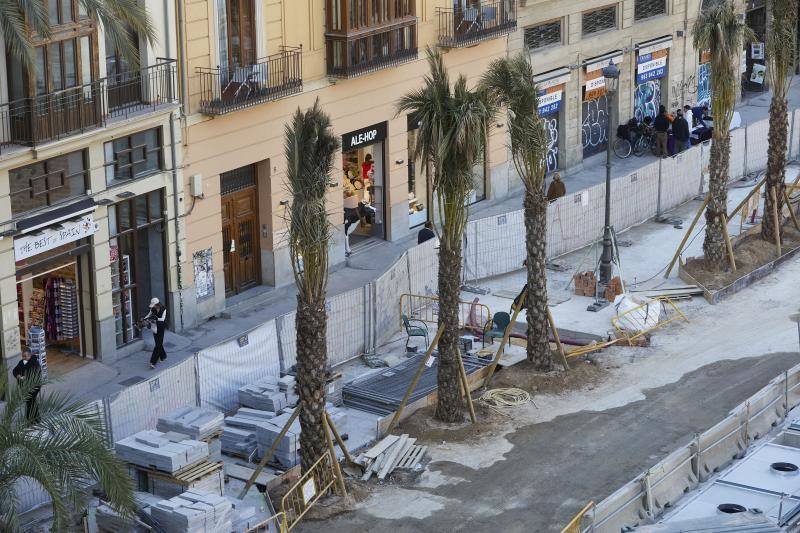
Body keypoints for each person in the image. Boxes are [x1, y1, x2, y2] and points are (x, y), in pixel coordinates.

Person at [13, 348, 41, 421]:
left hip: (33, 387)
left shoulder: (35, 363)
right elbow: (15, 370)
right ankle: (32, 419)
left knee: (31, 402)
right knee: (29, 402)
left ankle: (34, 419)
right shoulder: (21, 362)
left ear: (30, 355)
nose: (24, 358)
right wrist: (18, 376)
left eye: (25, 356)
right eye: (23, 356)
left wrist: (26, 377)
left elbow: (36, 375)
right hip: (25, 386)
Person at [143, 298, 167, 369]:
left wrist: (154, 319)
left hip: (161, 328)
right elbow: (148, 315)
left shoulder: (164, 309)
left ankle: (153, 362)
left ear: (157, 304)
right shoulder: (152, 309)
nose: (153, 306)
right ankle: (163, 356)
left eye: (154, 305)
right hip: (154, 328)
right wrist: (145, 319)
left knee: (157, 345)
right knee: (158, 344)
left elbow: (162, 319)